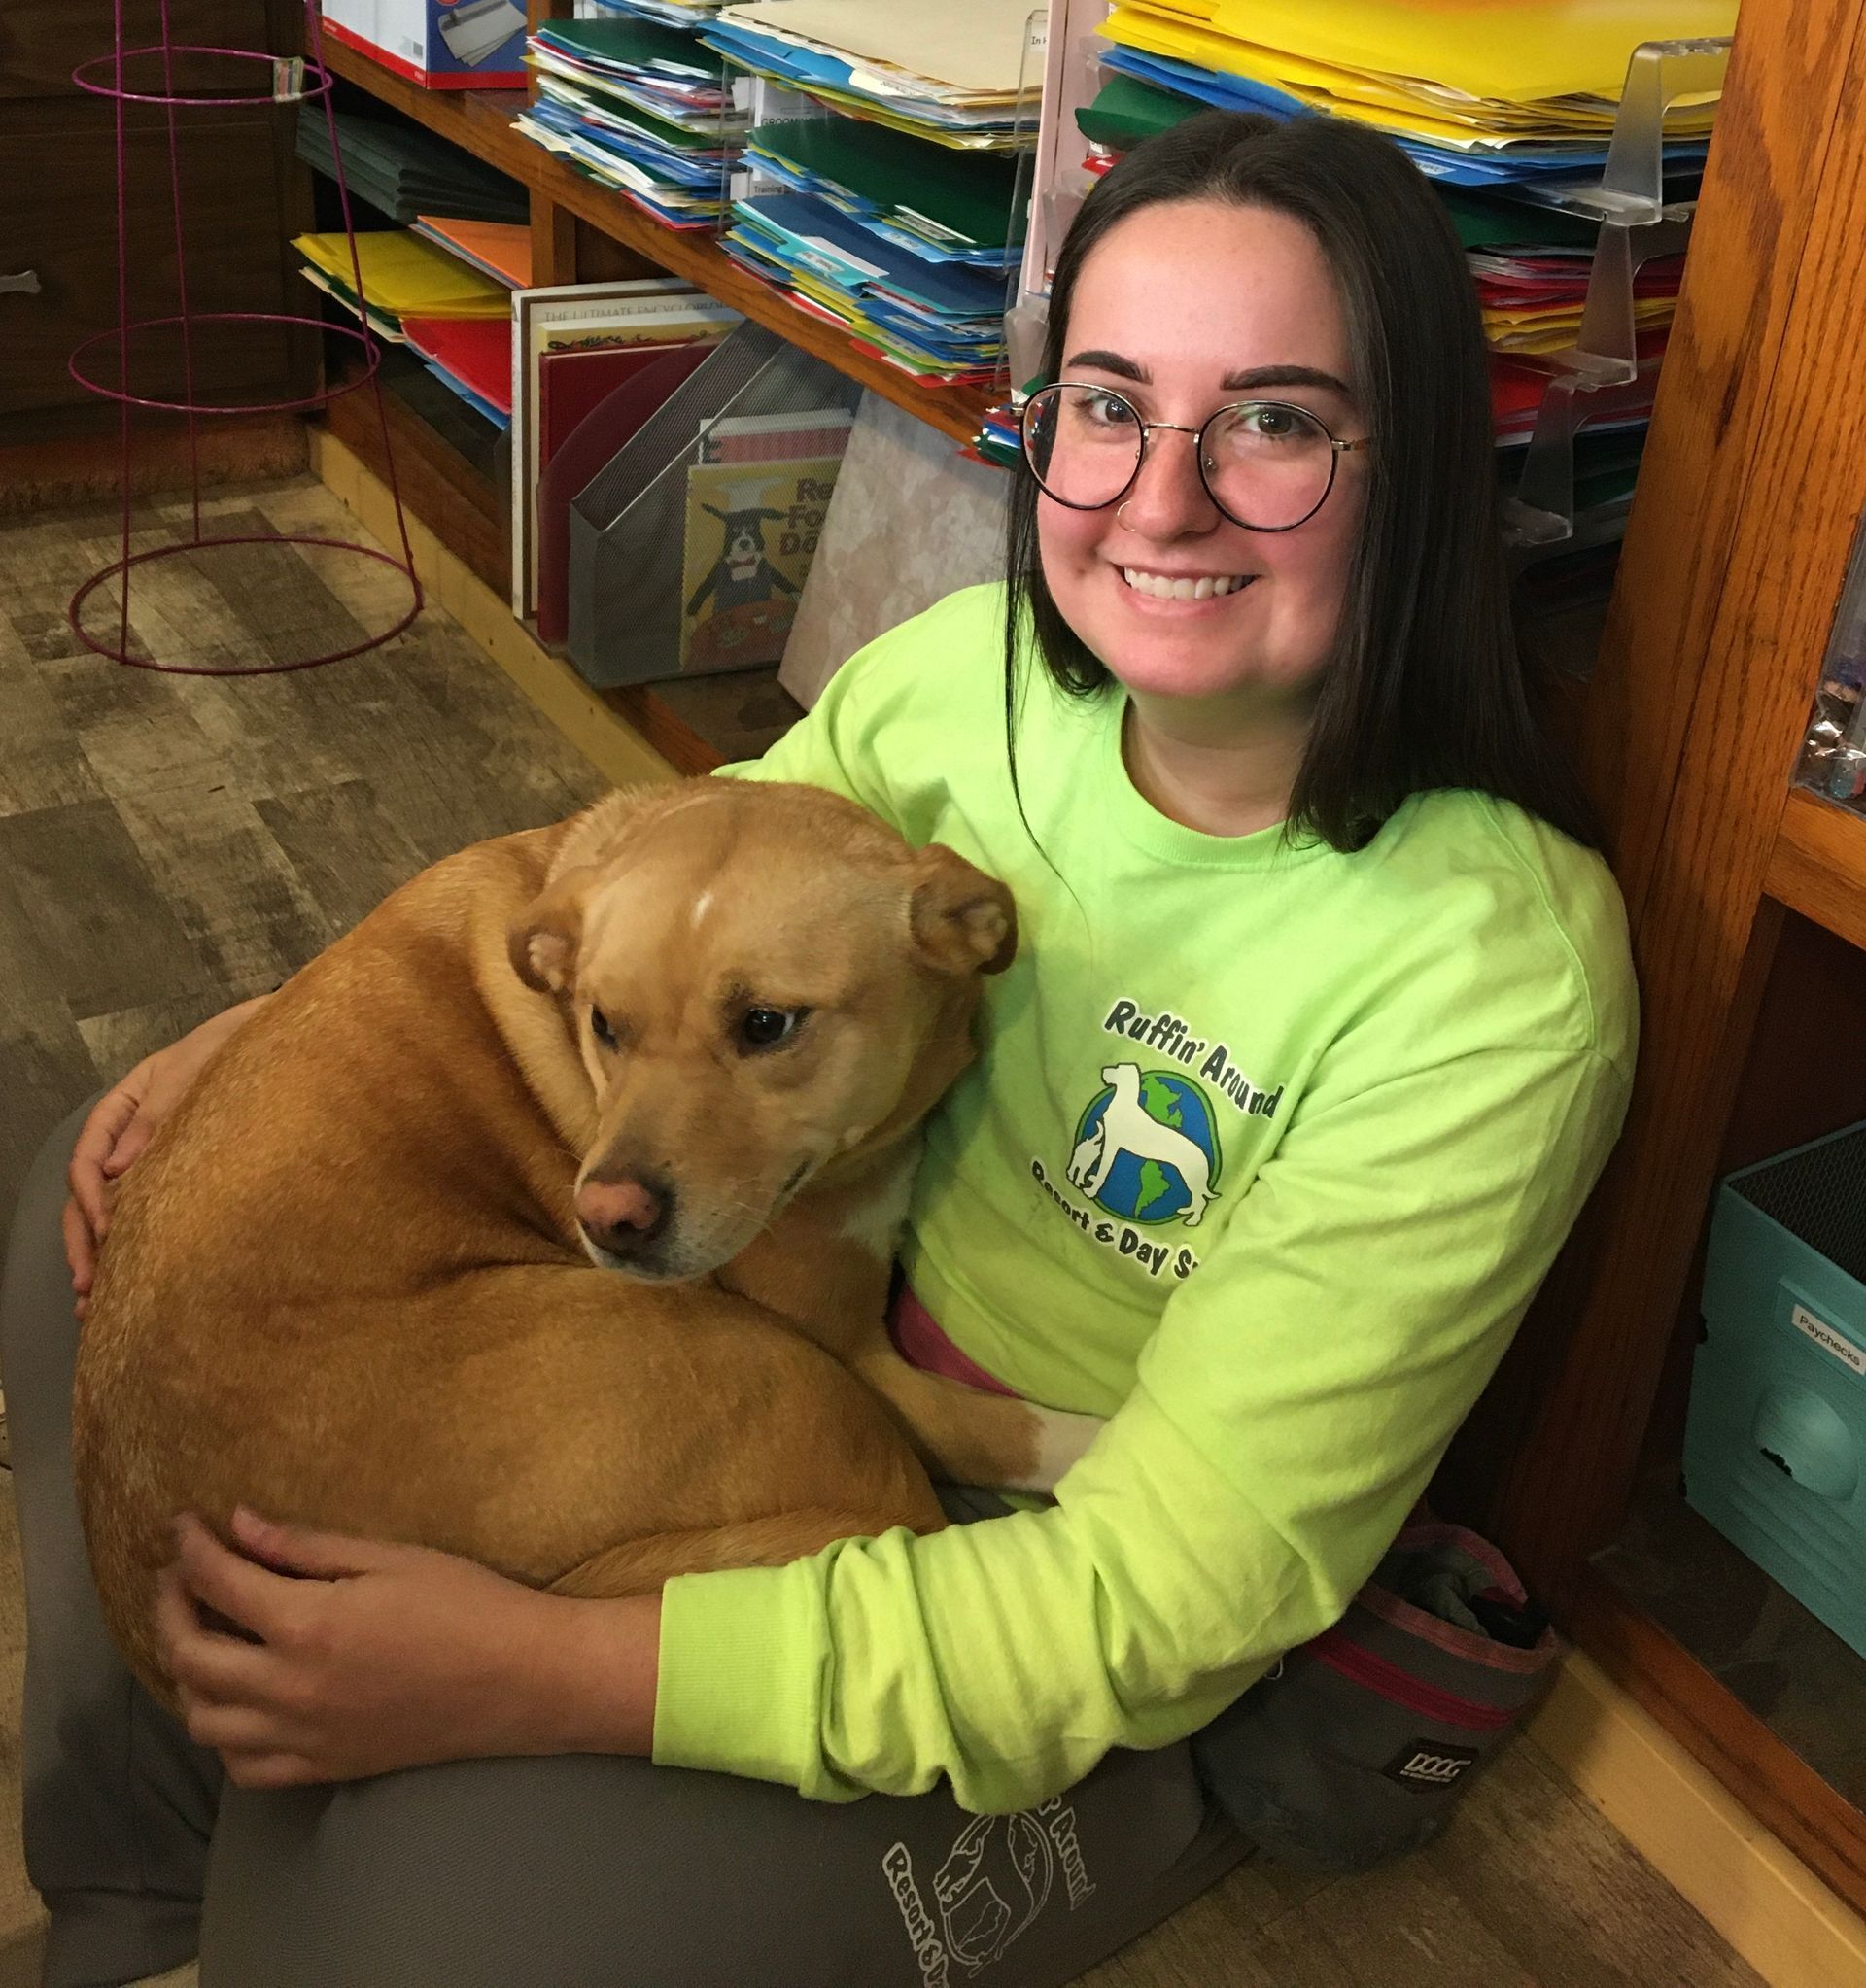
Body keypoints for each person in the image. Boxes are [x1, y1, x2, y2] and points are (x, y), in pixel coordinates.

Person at [3, 109, 1636, 1988]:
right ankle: (129, 1912)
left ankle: (1150, 1818)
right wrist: (269, 1027)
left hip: (1055, 1552)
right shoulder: (978, 672)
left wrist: (540, 1669)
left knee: (389, 1912)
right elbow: (655, 875)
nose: (1160, 499)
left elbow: (1164, 1595)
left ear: (1416, 462)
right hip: (780, 1350)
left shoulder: (1492, 980)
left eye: (1272, 421)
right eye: (1106, 405)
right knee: (84, 1201)